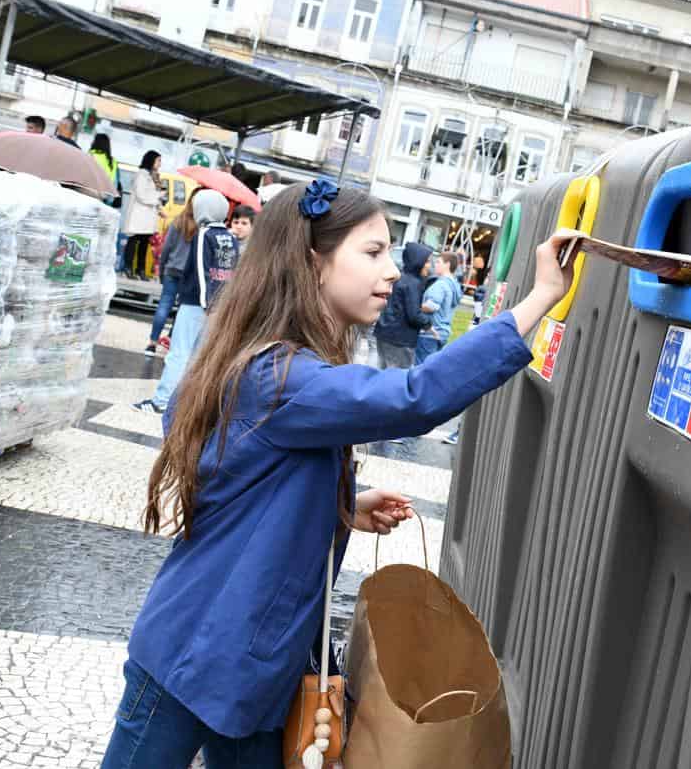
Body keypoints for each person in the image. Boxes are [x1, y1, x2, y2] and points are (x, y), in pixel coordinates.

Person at [102, 179, 574, 768]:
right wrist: (541, 297)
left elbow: (254, 479)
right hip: (196, 654)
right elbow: (414, 397)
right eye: (372, 252)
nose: (392, 272)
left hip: (257, 663)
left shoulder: (269, 363)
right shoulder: (281, 376)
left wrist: (342, 503)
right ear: (312, 262)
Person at [134, 190, 237, 416]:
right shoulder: (229, 237)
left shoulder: (204, 234)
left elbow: (201, 269)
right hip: (219, 305)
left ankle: (162, 401)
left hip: (196, 303)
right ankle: (185, 404)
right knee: (199, 356)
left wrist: (205, 302)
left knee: (179, 353)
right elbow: (232, 273)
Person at [371, 243, 432, 462]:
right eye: (427, 261)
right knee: (398, 384)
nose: (429, 265)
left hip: (384, 333)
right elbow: (413, 315)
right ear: (418, 261)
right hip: (401, 339)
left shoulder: (399, 279)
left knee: (383, 378)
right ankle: (389, 427)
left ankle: (376, 420)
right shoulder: (413, 283)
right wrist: (428, 322)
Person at [147, 189, 200, 355]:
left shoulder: (178, 221)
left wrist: (162, 269)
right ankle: (171, 341)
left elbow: (166, 248)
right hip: (190, 274)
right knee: (183, 309)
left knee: (164, 305)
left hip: (172, 270)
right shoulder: (202, 227)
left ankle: (152, 343)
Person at [121, 150, 164, 281]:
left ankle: (141, 270)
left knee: (144, 244)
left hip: (148, 216)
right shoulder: (141, 175)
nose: (160, 164)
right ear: (151, 160)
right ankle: (128, 268)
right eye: (158, 160)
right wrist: (157, 197)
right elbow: (141, 195)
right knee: (133, 241)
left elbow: (155, 194)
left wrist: (159, 206)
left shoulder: (154, 176)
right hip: (139, 215)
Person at [417, 252, 462, 364]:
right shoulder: (454, 284)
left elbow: (432, 306)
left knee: (421, 369)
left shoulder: (441, 284)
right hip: (442, 332)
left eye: (438, 262)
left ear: (447, 264)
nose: (435, 265)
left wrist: (414, 307)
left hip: (430, 333)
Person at [87, 133, 123, 208]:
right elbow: (115, 183)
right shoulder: (113, 161)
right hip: (105, 198)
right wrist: (109, 200)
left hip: (89, 195)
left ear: (96, 142)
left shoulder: (91, 155)